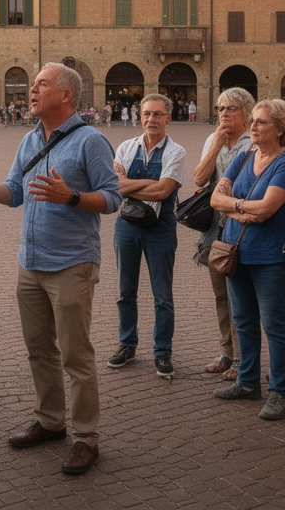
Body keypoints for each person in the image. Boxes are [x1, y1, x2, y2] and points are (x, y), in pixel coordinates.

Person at [0, 62, 121, 476]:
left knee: (76, 355)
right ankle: (51, 421)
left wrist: (72, 197)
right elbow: (15, 194)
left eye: (42, 84)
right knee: (40, 349)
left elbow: (112, 199)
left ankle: (86, 438)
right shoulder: (29, 139)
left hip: (72, 263)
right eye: (34, 84)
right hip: (31, 264)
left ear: (66, 95)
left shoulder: (90, 141)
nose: (32, 90)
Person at [210, 99, 285, 420]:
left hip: (270, 259)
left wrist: (234, 205)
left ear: (280, 128)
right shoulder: (245, 157)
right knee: (244, 321)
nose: (253, 126)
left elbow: (267, 209)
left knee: (275, 326)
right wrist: (242, 207)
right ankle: (248, 381)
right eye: (253, 120)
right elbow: (214, 198)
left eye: (261, 122)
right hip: (236, 252)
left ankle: (280, 393)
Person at [108, 93, 186, 376]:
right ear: (139, 116)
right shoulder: (126, 146)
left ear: (168, 117)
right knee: (124, 291)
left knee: (162, 294)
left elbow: (164, 191)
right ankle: (127, 344)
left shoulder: (176, 152)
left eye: (157, 114)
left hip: (161, 228)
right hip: (126, 226)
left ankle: (162, 351)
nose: (151, 119)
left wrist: (129, 183)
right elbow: (114, 186)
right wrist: (146, 183)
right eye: (146, 114)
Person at [193, 87, 255, 381]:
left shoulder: (252, 143)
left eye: (231, 109)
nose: (223, 114)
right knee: (220, 294)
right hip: (216, 228)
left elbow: (242, 189)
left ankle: (244, 359)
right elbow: (199, 178)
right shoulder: (212, 138)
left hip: (242, 228)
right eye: (220, 109)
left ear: (246, 114)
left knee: (240, 296)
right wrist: (216, 142)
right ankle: (226, 352)